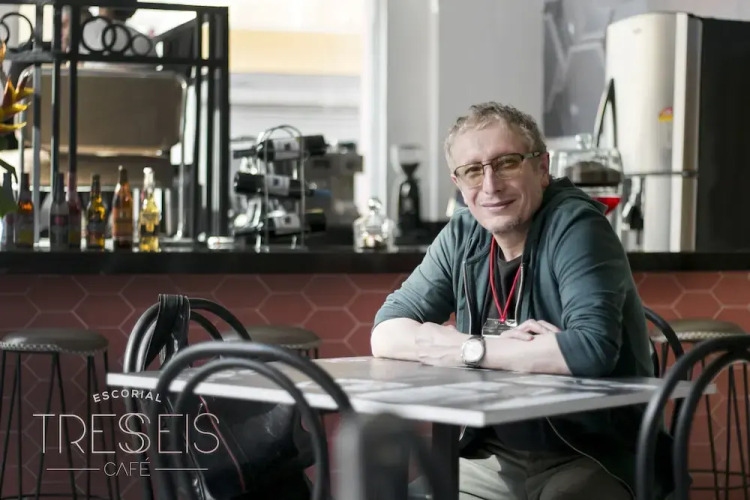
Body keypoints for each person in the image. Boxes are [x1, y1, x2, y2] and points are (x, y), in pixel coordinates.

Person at [371, 102, 673, 500]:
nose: (490, 185)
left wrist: (466, 349)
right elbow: (385, 331)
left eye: (507, 163)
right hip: (492, 456)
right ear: (458, 182)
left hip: (593, 454)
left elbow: (590, 350)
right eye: (473, 171)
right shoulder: (462, 234)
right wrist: (495, 348)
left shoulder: (577, 225)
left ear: (542, 168)